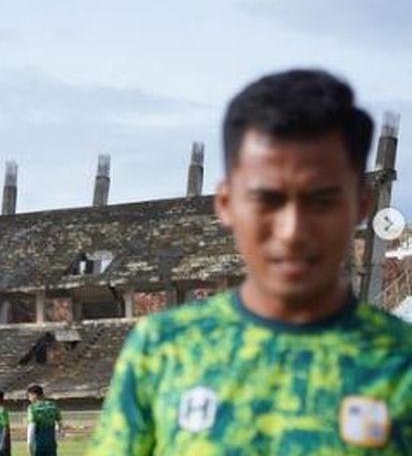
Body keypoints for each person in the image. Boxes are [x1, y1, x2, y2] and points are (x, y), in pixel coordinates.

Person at [86, 69, 412, 455]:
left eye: (321, 200)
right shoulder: (164, 349)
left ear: (360, 204)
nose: (292, 230)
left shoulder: (400, 362)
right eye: (267, 200)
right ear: (226, 203)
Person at [26, 385, 61, 456]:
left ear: (34, 395)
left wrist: (29, 446)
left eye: (29, 396)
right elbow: (59, 424)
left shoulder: (32, 408)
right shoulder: (53, 405)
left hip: (38, 445)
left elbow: (31, 429)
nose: (29, 398)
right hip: (51, 444)